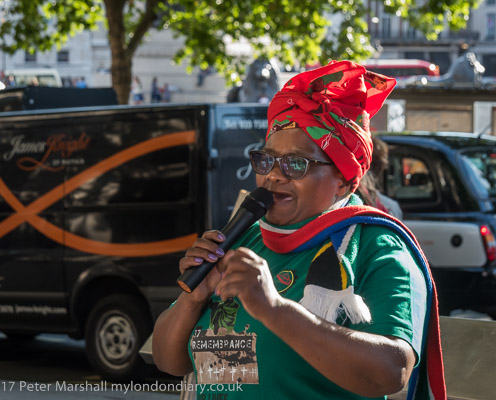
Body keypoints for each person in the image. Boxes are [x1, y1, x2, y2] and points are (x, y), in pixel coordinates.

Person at [152, 61, 446, 399]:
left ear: (343, 180)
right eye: (266, 160)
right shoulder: (243, 241)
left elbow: (392, 372)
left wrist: (274, 309)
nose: (273, 175)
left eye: (296, 163)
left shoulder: (379, 247)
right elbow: (169, 361)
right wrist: (194, 299)